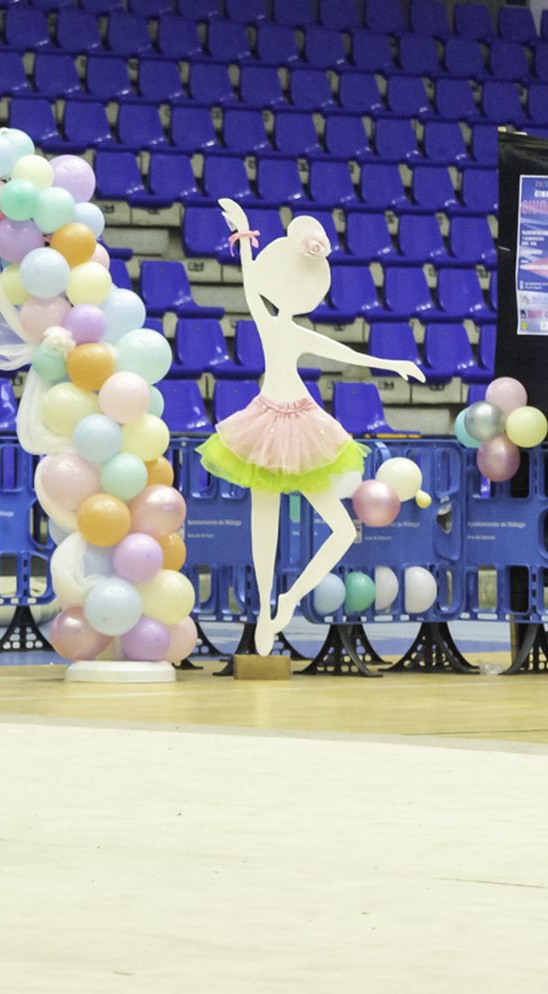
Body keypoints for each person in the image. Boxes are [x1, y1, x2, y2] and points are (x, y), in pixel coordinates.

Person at [200, 199, 424, 657]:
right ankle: (266, 611)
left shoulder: (294, 331)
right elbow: (249, 288)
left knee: (336, 530)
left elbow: (348, 356)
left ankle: (286, 600)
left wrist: (392, 362)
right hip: (268, 422)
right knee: (266, 523)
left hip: (298, 423)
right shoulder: (275, 324)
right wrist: (243, 240)